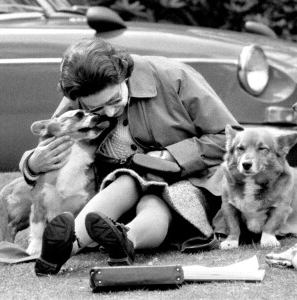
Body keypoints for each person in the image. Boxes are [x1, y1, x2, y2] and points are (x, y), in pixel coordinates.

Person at [20, 37, 239, 276]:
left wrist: (171, 155)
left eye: (114, 100)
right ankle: (64, 248)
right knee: (126, 180)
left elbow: (230, 137)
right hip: (117, 186)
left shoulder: (174, 76)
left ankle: (125, 238)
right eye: (96, 109)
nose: (110, 112)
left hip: (187, 179)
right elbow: (51, 138)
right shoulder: (82, 91)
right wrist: (31, 164)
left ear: (124, 74)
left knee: (156, 200)